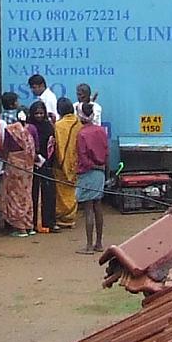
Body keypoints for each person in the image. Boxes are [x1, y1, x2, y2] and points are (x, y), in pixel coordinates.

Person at [0, 92, 37, 234]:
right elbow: (36, 146)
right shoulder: (32, 129)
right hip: (29, 165)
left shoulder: (10, 129)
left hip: (14, 166)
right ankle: (29, 225)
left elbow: (6, 147)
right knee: (27, 193)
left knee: (14, 195)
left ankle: (20, 228)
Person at [75, 101, 111, 253]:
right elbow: (107, 152)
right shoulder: (102, 130)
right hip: (100, 173)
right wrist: (105, 171)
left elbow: (83, 158)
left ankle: (89, 246)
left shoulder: (82, 134)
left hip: (88, 172)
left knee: (88, 208)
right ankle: (99, 243)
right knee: (98, 206)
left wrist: (93, 166)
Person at [28, 100, 60, 232]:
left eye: (41, 113)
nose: (39, 116)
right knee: (33, 194)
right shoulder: (29, 127)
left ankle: (50, 222)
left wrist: (47, 160)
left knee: (49, 194)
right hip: (33, 165)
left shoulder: (48, 126)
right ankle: (34, 223)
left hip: (47, 165)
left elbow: (52, 144)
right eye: (36, 114)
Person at [53, 96, 82, 231]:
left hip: (60, 164)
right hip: (75, 163)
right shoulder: (79, 123)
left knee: (62, 192)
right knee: (72, 191)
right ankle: (71, 217)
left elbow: (57, 146)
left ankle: (62, 218)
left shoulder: (58, 125)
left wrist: (61, 161)